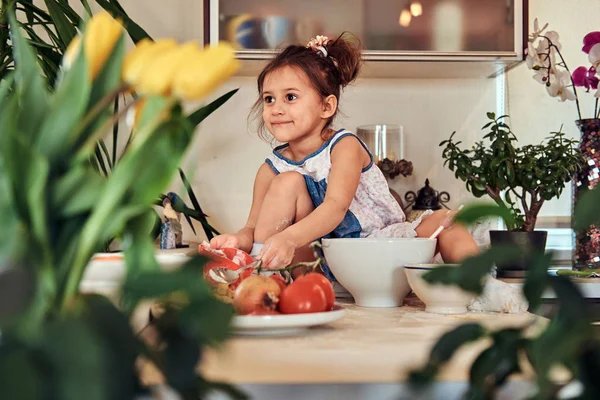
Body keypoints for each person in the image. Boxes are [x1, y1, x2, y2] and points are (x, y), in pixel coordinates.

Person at [210, 34, 479, 279]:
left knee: (449, 221)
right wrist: (237, 239)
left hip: (380, 247)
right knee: (287, 181)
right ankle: (265, 278)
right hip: (320, 262)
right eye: (269, 99)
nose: (276, 109)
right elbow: (253, 228)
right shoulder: (271, 169)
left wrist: (289, 237)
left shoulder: (344, 146)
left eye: (290, 97)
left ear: (327, 106)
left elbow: (335, 208)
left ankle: (482, 285)